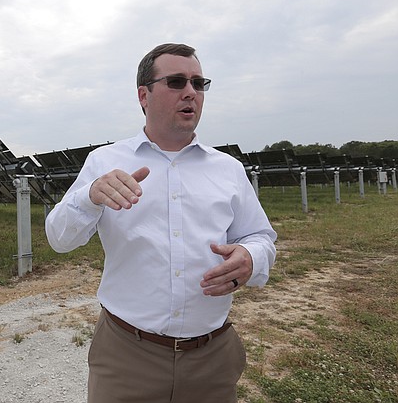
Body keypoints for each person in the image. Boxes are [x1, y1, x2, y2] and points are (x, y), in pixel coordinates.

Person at [45, 43, 277, 403]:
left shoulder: (228, 169)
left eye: (199, 84)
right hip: (126, 355)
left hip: (212, 359)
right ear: (143, 95)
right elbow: (59, 238)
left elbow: (260, 235)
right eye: (176, 81)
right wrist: (89, 195)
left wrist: (251, 256)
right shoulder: (105, 161)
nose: (190, 92)